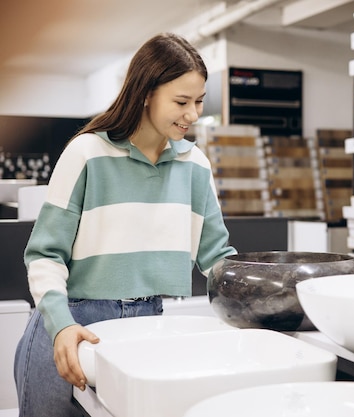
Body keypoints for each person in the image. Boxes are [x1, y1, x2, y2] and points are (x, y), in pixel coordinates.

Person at [14, 33, 237, 417]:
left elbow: (217, 257)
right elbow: (44, 254)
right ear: (146, 92)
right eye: (181, 102)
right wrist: (61, 325)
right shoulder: (86, 153)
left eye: (199, 101)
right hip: (69, 328)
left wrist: (261, 298)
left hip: (147, 327)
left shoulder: (196, 166)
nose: (194, 114)